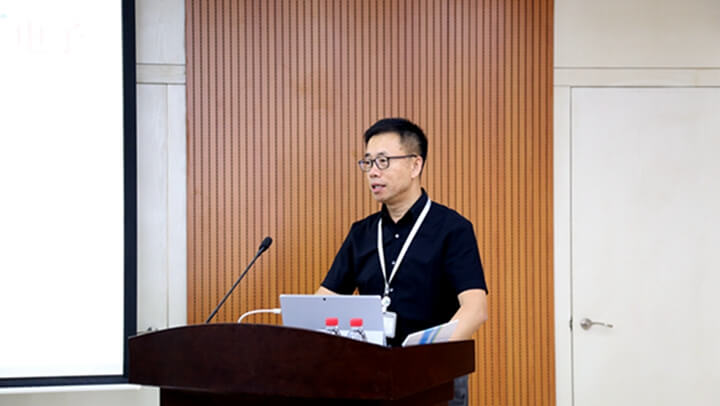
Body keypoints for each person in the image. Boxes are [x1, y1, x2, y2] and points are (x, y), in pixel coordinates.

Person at [316, 118, 488, 406]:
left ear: (415, 165)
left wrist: (426, 361)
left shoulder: (452, 229)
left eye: (383, 161)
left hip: (434, 377)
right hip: (370, 374)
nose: (373, 171)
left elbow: (475, 309)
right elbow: (324, 301)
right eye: (368, 162)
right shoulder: (361, 233)